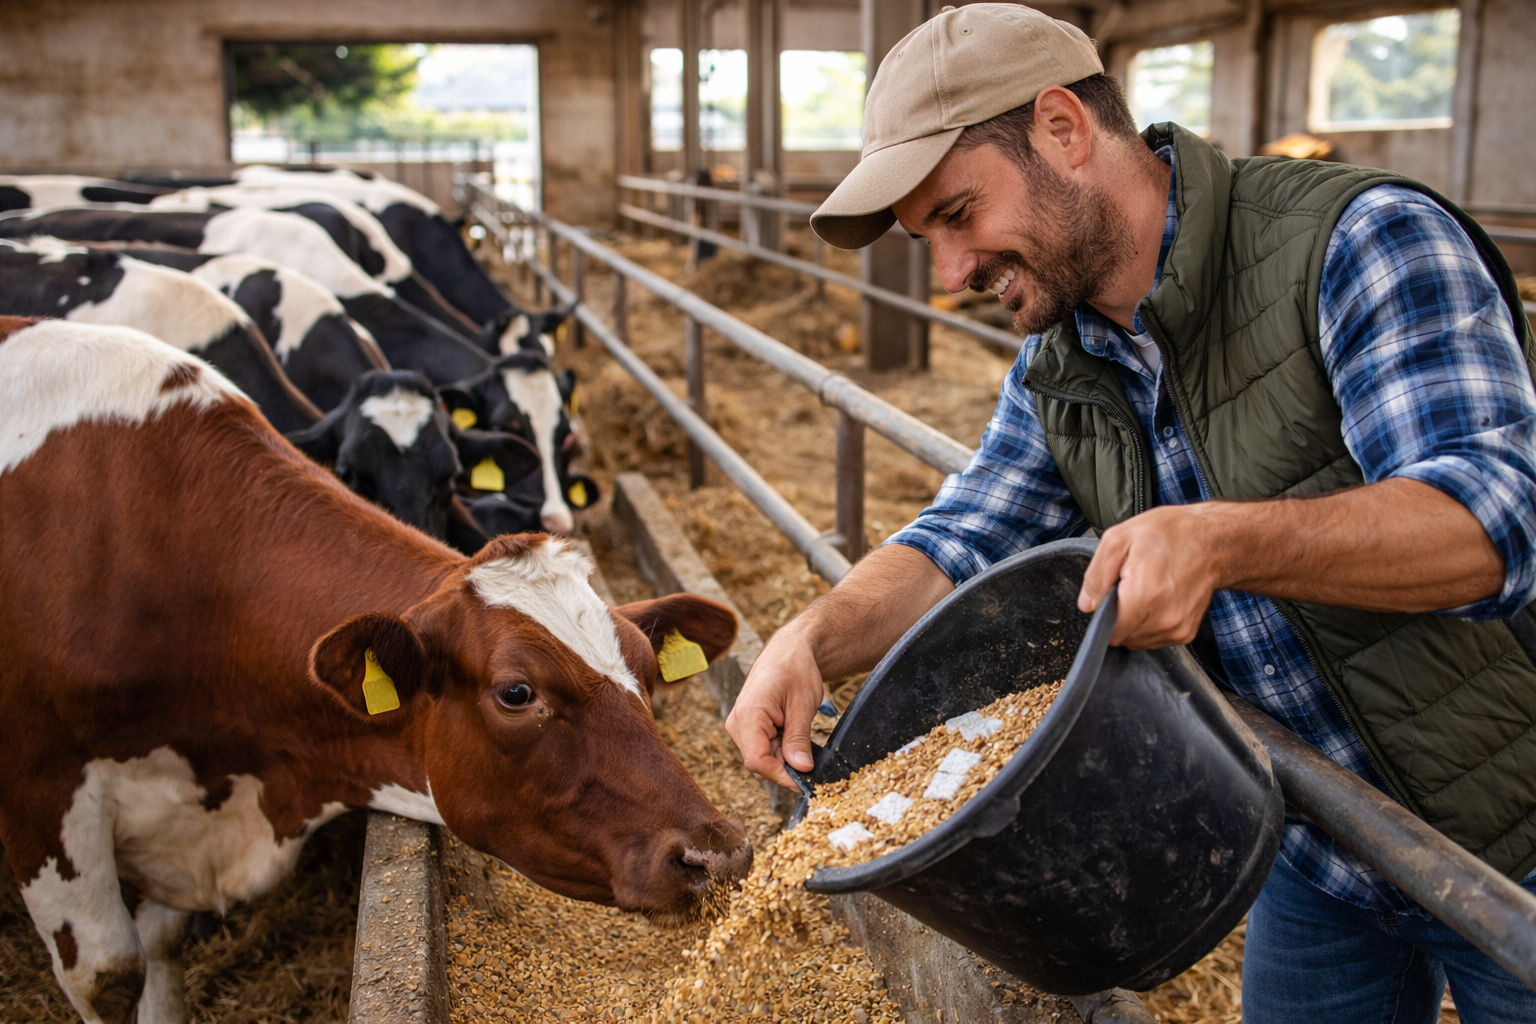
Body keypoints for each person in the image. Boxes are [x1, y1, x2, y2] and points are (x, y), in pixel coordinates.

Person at [723, 5, 1536, 1022]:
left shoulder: (1359, 241)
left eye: (960, 212)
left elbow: (1494, 519)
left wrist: (1223, 540)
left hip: (1514, 839)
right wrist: (812, 638)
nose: (952, 272)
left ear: (1064, 129)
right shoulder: (1062, 363)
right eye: (927, 235)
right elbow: (962, 539)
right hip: (1323, 847)